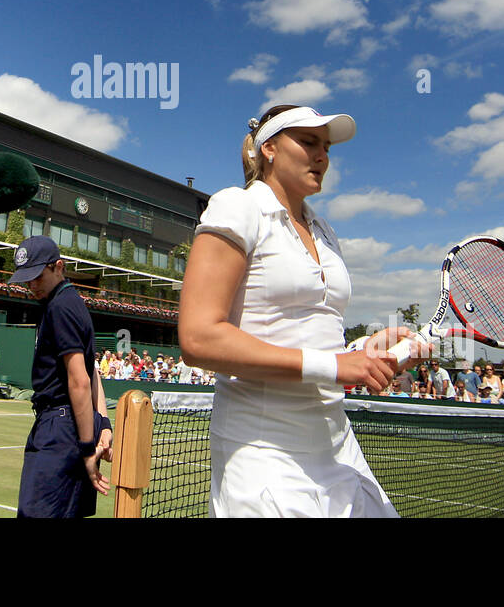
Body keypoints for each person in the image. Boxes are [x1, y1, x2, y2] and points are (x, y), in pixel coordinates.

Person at [177, 104, 431, 518]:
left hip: (336, 442)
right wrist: (334, 366)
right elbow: (198, 338)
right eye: (309, 142)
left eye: (327, 147)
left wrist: (366, 349)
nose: (322, 156)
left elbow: (314, 332)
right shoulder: (236, 206)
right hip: (262, 450)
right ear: (270, 148)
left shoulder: (325, 231)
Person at [10, 236, 112, 518]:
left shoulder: (61, 307)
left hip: (60, 428)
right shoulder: (66, 302)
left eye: (37, 276)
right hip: (69, 425)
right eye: (26, 279)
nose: (31, 285)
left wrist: (87, 447)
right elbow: (91, 371)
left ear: (59, 267)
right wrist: (103, 422)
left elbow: (79, 380)